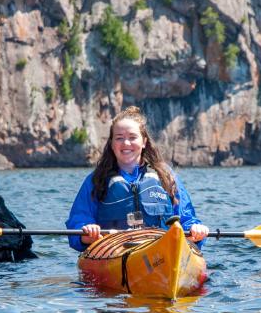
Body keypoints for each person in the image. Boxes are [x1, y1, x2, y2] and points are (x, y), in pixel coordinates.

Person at [66, 106, 209, 251]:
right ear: (111, 143)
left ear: (144, 142)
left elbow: (186, 218)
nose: (126, 143)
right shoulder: (96, 180)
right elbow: (78, 223)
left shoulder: (166, 177)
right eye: (119, 138)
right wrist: (87, 232)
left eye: (132, 137)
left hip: (161, 249)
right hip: (113, 251)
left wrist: (194, 229)